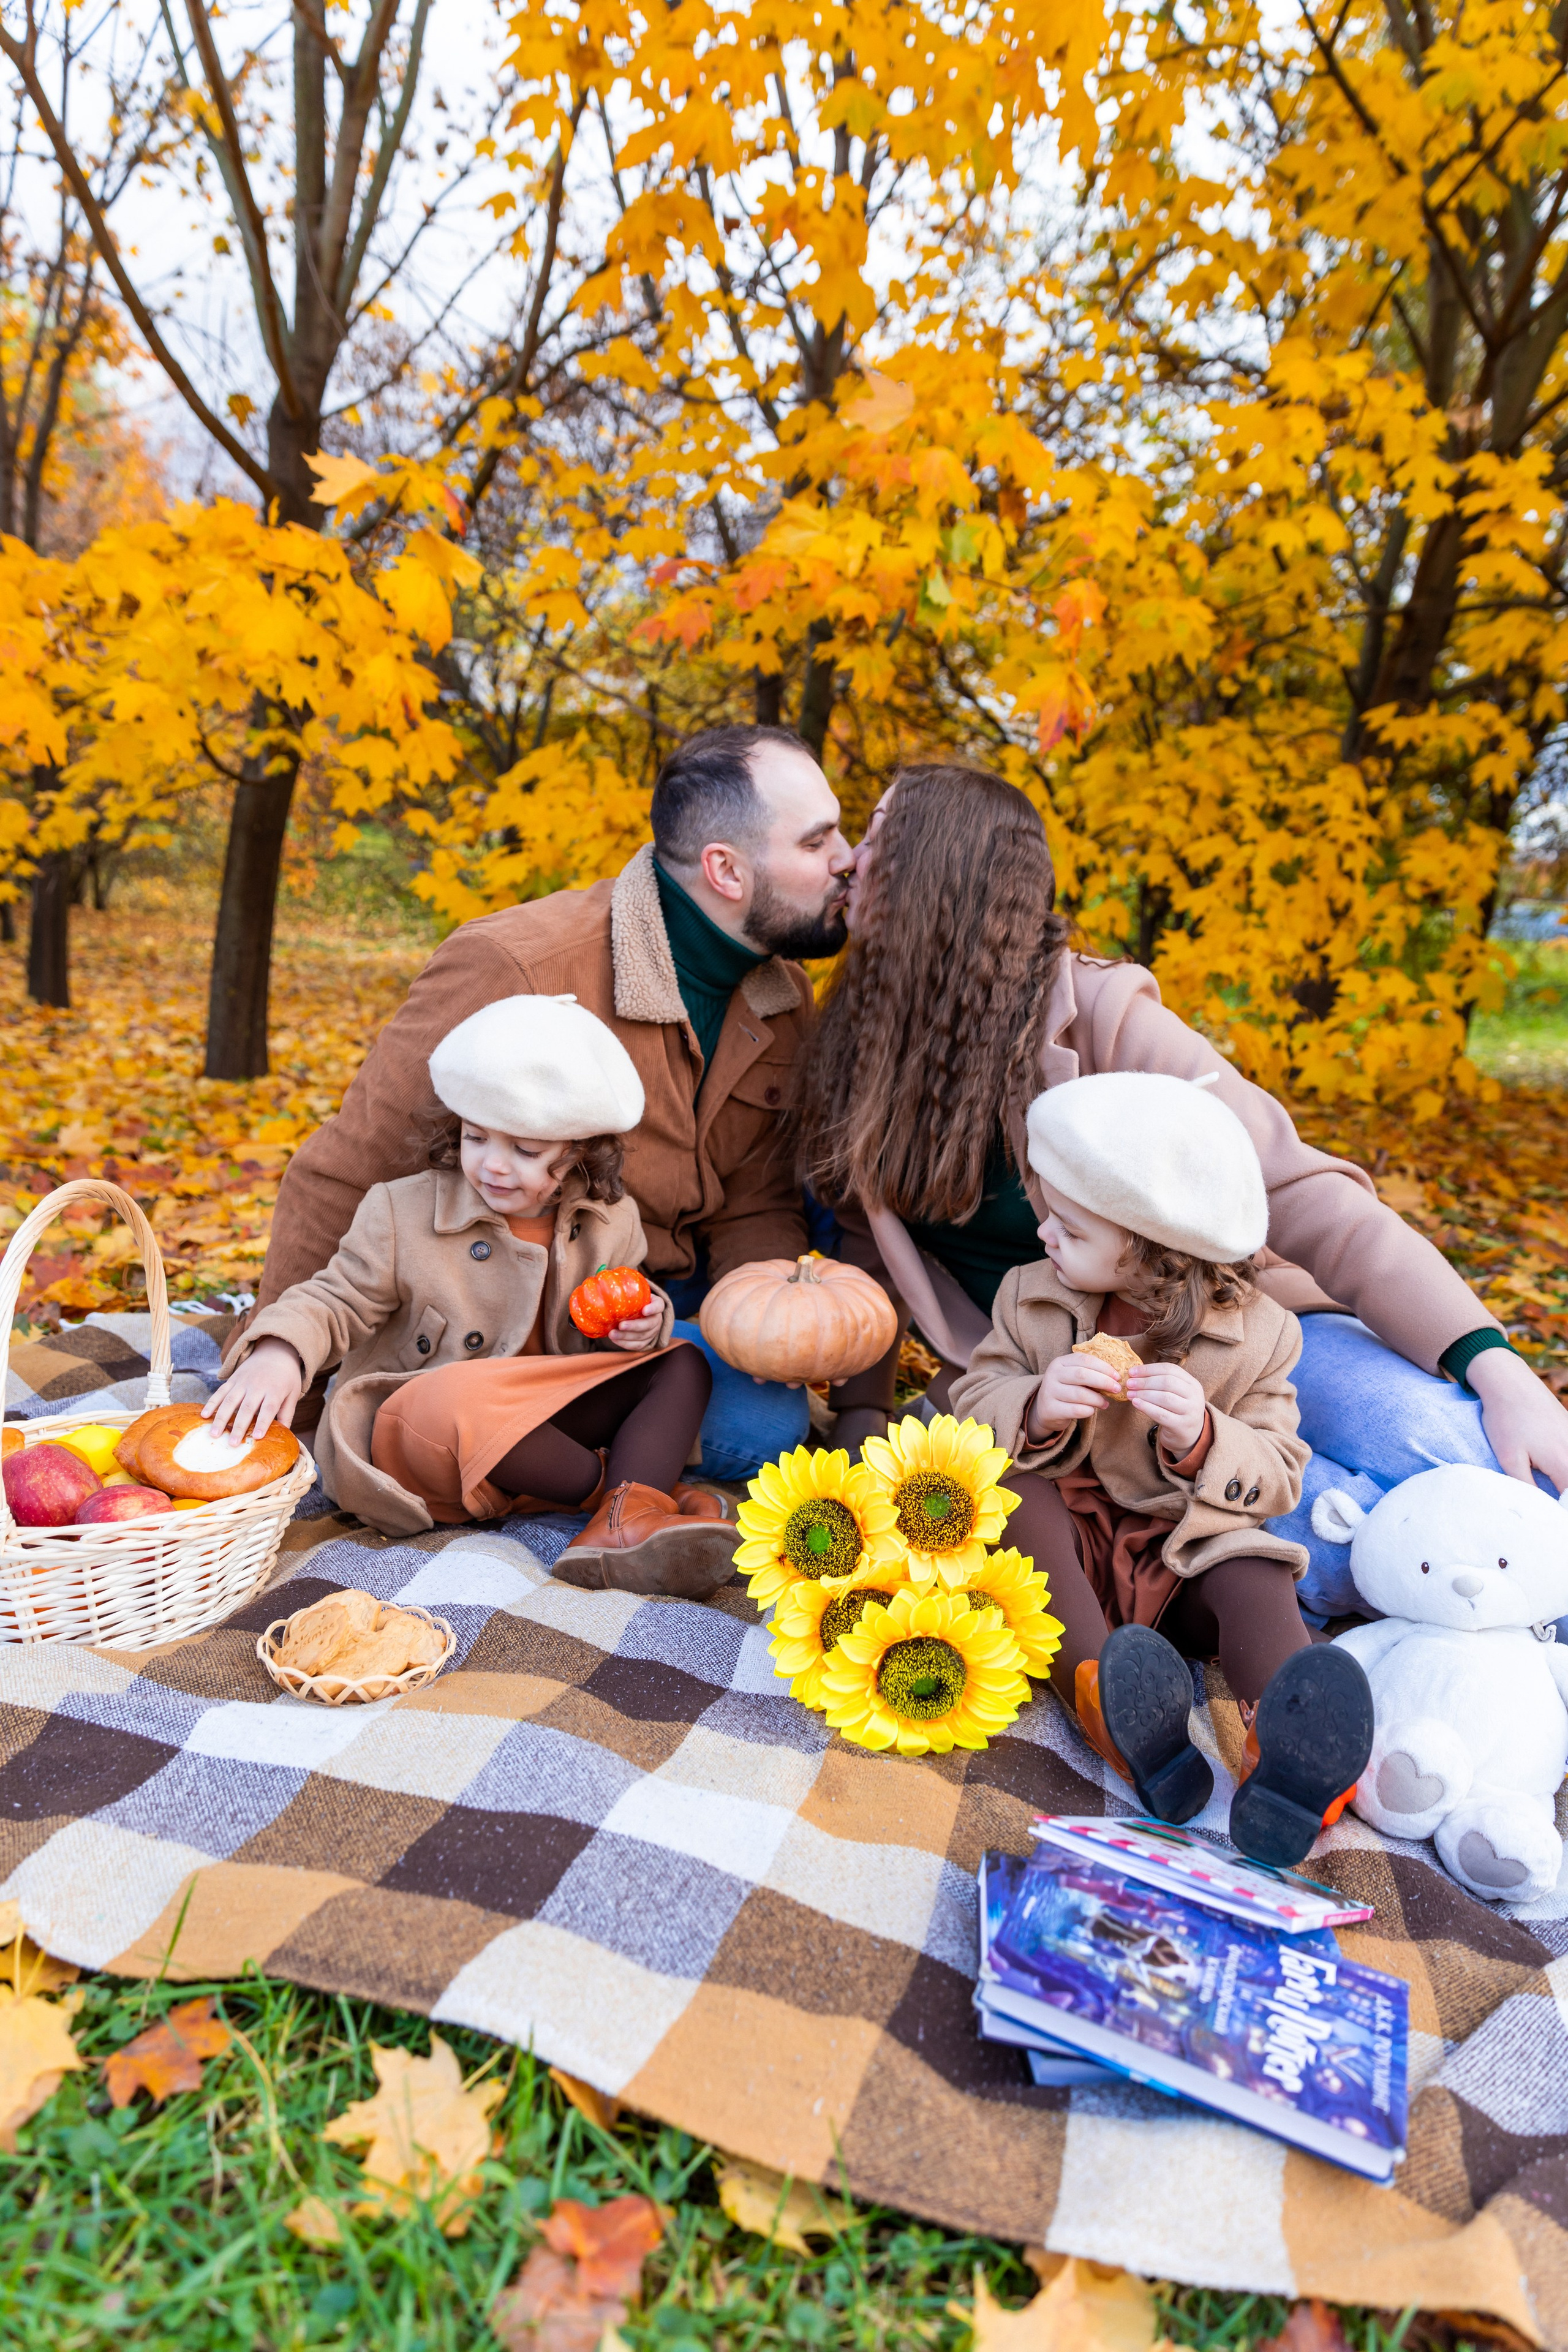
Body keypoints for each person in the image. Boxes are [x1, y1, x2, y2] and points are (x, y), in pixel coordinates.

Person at [797, 763, 1568, 1600]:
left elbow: (1297, 1190)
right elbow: (869, 1267)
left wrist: (1496, 1365)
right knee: (1344, 1538)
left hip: (1236, 1335)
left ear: (933, 876)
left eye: (876, 837)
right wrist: (865, 1425)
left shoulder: (1102, 1018)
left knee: (1438, 1439)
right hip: (1073, 1399)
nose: (850, 859)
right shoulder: (848, 1054)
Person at [251, 725, 854, 1483]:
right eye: (817, 841)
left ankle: (588, 1477)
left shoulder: (782, 993)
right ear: (725, 871)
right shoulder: (519, 965)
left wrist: (767, 1329)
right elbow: (344, 1171)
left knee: (765, 1428)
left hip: (641, 1311)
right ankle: (524, 1450)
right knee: (450, 1416)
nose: (848, 860)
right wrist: (284, 1420)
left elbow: (752, 1203)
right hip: (488, 1310)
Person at [951, 1069, 1374, 1868]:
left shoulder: (1260, 1335)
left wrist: (1207, 1436)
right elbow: (971, 1401)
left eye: (1069, 1229)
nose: (1045, 1236)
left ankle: (1288, 1756)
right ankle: (1114, 1705)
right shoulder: (1028, 1297)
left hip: (1182, 1552)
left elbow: (1281, 1471)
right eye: (1049, 1214)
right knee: (1011, 1498)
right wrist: (1034, 1402)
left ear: (1151, 1247)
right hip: (1072, 1543)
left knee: (1254, 1566)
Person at [206, 996, 739, 1593]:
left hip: (542, 1428)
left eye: (526, 1151)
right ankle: (630, 1493)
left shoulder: (612, 1220)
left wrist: (643, 1323)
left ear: (581, 1151)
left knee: (684, 1363)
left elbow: (629, 1299)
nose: (493, 1165)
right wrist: (281, 1352)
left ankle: (623, 1523)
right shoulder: (402, 1212)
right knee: (454, 1400)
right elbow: (336, 1299)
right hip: (428, 1431)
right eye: (476, 1138)